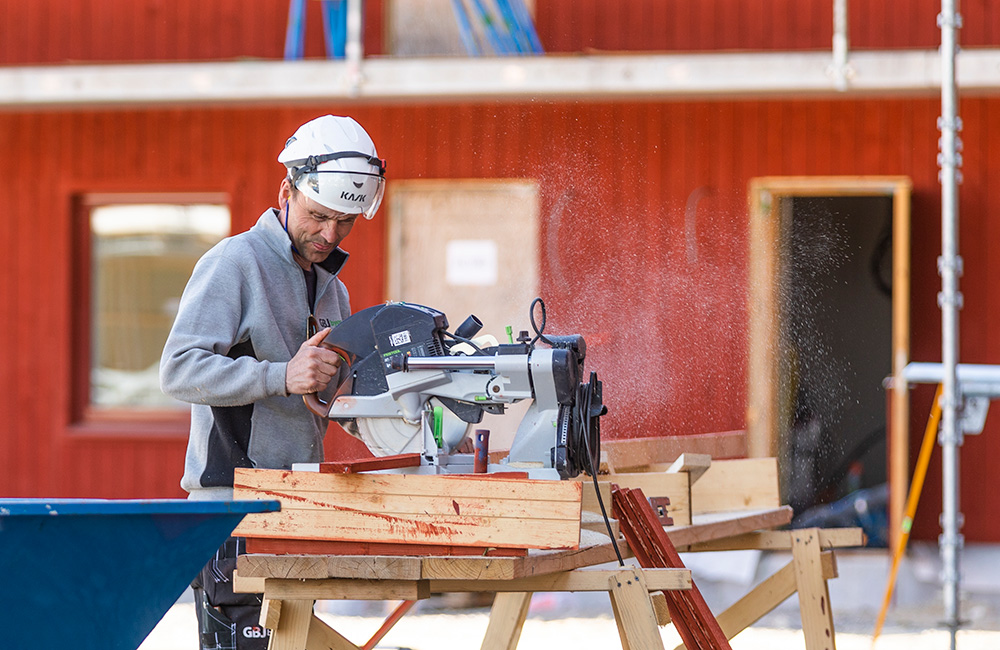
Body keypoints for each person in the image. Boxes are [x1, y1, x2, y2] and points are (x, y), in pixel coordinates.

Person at [160, 115, 386, 650]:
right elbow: (178, 369)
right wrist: (281, 375)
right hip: (233, 511)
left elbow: (335, 399)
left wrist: (414, 424)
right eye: (318, 216)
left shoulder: (331, 290)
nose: (330, 235)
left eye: (346, 221)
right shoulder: (235, 262)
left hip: (294, 507)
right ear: (287, 191)